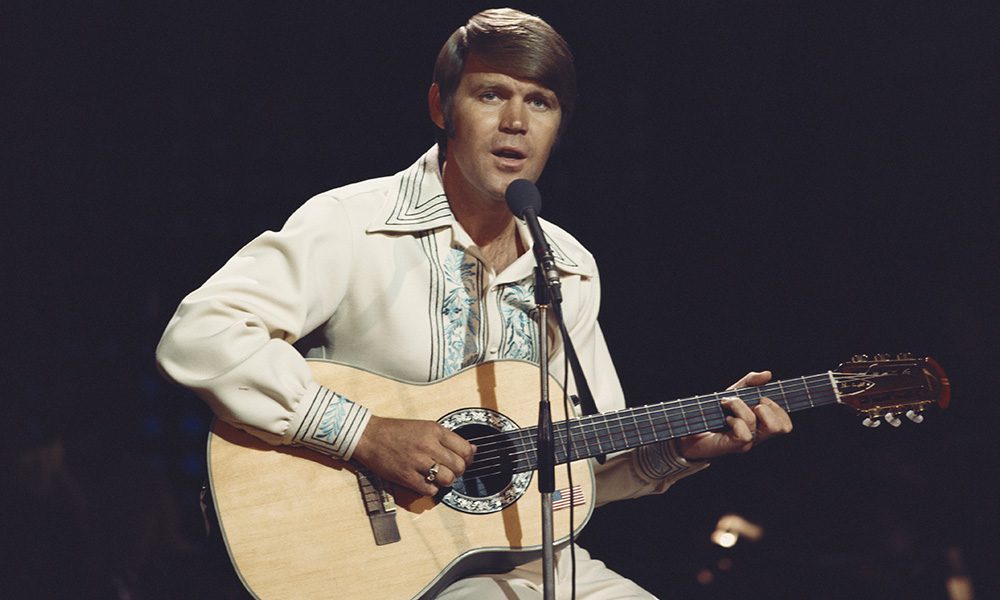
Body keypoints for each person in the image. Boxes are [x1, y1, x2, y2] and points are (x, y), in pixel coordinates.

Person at [156, 8, 792, 599]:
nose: (515, 121)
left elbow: (581, 473)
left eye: (539, 102)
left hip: (535, 563)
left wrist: (680, 451)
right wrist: (365, 434)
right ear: (442, 106)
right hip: (381, 567)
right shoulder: (354, 223)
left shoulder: (566, 267)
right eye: (491, 95)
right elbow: (201, 336)